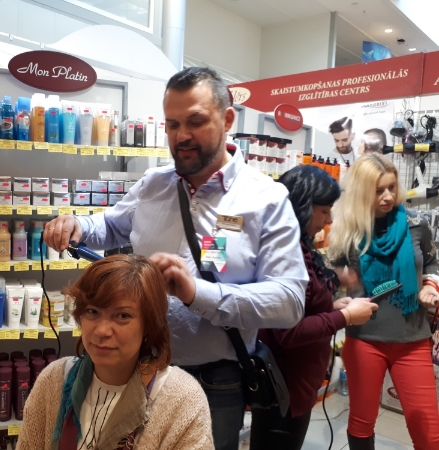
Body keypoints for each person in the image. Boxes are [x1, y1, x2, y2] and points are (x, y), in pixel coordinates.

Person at [44, 67, 308, 450]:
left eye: (195, 122)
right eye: (172, 124)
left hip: (215, 383)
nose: (181, 135)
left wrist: (197, 293)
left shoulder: (265, 198)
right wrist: (78, 225)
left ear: (227, 119)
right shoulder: (154, 184)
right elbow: (112, 225)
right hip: (138, 368)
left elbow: (289, 301)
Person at [17, 254, 214, 450]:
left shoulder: (183, 401)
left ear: (149, 324)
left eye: (122, 316)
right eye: (92, 311)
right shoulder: (53, 380)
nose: (102, 331)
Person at [249, 165, 378, 450]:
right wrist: (345, 317)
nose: (329, 219)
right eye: (324, 211)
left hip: (296, 383)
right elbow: (288, 331)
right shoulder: (285, 253)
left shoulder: (299, 246)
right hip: (284, 387)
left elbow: (300, 307)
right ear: (302, 207)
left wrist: (331, 307)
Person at [328, 153, 439, 449]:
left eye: (391, 187)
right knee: (361, 421)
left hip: (412, 339)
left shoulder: (416, 224)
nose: (388, 196)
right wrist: (338, 290)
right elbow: (330, 279)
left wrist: (430, 286)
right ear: (362, 192)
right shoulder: (348, 231)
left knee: (428, 431)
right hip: (364, 339)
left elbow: (431, 262)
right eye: (378, 191)